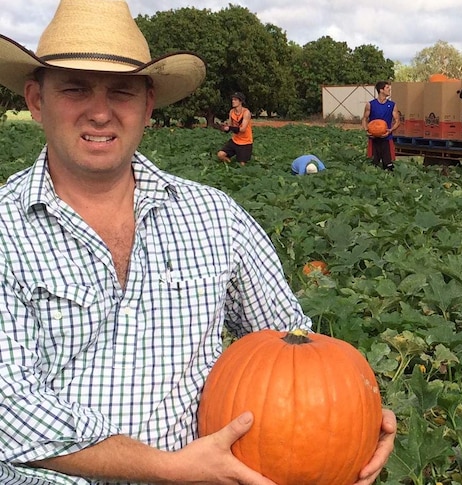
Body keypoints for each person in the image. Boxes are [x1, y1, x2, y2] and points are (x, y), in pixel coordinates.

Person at [0, 1, 396, 484]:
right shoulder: (6, 229)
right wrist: (171, 468)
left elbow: (293, 345)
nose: (100, 112)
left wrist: (355, 415)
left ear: (148, 105)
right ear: (36, 100)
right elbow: (10, 410)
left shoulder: (214, 217)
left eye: (122, 92)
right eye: (75, 89)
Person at [361, 81, 400, 170]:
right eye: (387, 88)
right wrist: (367, 130)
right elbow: (364, 119)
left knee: (388, 164)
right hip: (373, 137)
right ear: (381, 90)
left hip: (386, 137)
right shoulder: (370, 104)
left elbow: (397, 121)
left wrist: (391, 130)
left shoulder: (392, 105)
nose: (389, 89)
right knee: (373, 163)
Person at [217, 92, 253, 166]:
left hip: (245, 142)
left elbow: (243, 129)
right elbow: (229, 125)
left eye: (235, 100)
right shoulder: (231, 112)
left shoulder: (246, 112)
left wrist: (230, 128)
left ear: (241, 101)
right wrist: (224, 128)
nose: (233, 101)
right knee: (220, 155)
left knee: (242, 165)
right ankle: (230, 164)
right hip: (235, 140)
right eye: (232, 99)